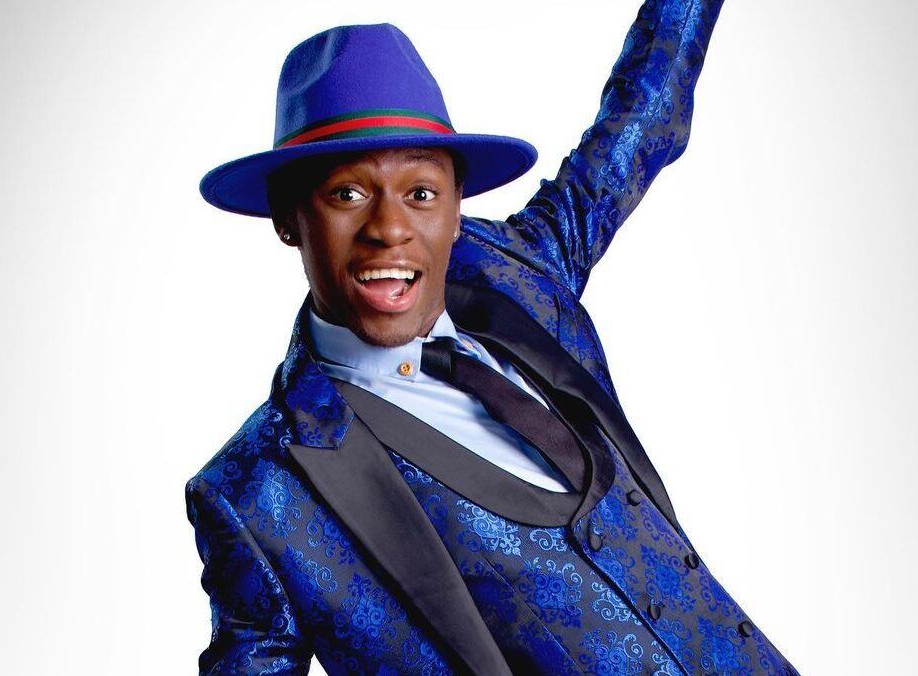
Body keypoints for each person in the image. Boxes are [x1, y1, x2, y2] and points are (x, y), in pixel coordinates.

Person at [187, 1, 800, 674]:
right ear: (287, 217)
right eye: (347, 195)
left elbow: (642, 121)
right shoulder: (257, 490)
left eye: (421, 193)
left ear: (457, 208)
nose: (389, 228)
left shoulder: (517, 275)